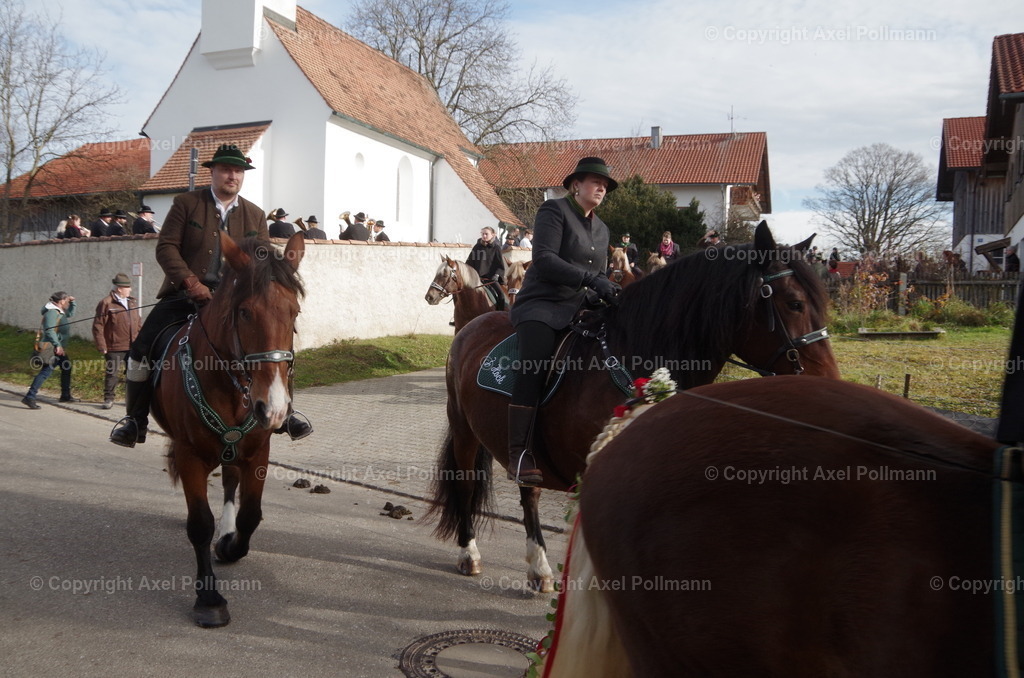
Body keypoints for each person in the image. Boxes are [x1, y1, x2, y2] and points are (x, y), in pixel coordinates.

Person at [109, 144, 312, 447]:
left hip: (236, 301)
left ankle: (286, 412)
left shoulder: (255, 214)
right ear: (213, 172)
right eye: (226, 169)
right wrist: (191, 283)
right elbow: (166, 248)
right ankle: (135, 419)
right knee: (140, 349)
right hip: (185, 296)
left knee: (275, 343)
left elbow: (263, 261)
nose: (233, 176)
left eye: (238, 171)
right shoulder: (187, 203)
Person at [507, 157, 620, 486]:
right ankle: (518, 452)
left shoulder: (603, 229)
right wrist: (591, 279)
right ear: (576, 185)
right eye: (595, 182)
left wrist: (608, 291)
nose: (601, 188)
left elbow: (598, 273)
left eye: (605, 185)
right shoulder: (554, 210)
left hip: (581, 308)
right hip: (542, 305)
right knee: (536, 360)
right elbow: (544, 259)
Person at [92, 273, 141, 410]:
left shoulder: (132, 302)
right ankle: (108, 399)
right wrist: (101, 345)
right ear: (119, 288)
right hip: (114, 347)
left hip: (132, 345)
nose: (130, 289)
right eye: (128, 287)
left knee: (132, 373)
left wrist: (141, 341)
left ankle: (130, 398)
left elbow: (138, 323)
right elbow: (98, 325)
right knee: (112, 373)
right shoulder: (106, 303)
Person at [22, 291, 77, 409]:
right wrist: (57, 345)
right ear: (61, 301)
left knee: (66, 368)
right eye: (66, 300)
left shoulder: (59, 311)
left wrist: (73, 303)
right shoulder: (52, 312)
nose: (67, 302)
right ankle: (30, 396)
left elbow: (70, 314)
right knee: (46, 372)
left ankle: (65, 395)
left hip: (58, 347)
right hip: (52, 347)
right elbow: (49, 330)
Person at [466, 225, 507, 310]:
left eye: (486, 234)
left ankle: (500, 314)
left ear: (493, 235)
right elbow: (469, 263)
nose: (484, 236)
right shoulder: (477, 247)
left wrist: (496, 275)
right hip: (476, 279)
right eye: (483, 234)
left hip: (490, 279)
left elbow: (500, 265)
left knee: (501, 295)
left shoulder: (496, 248)